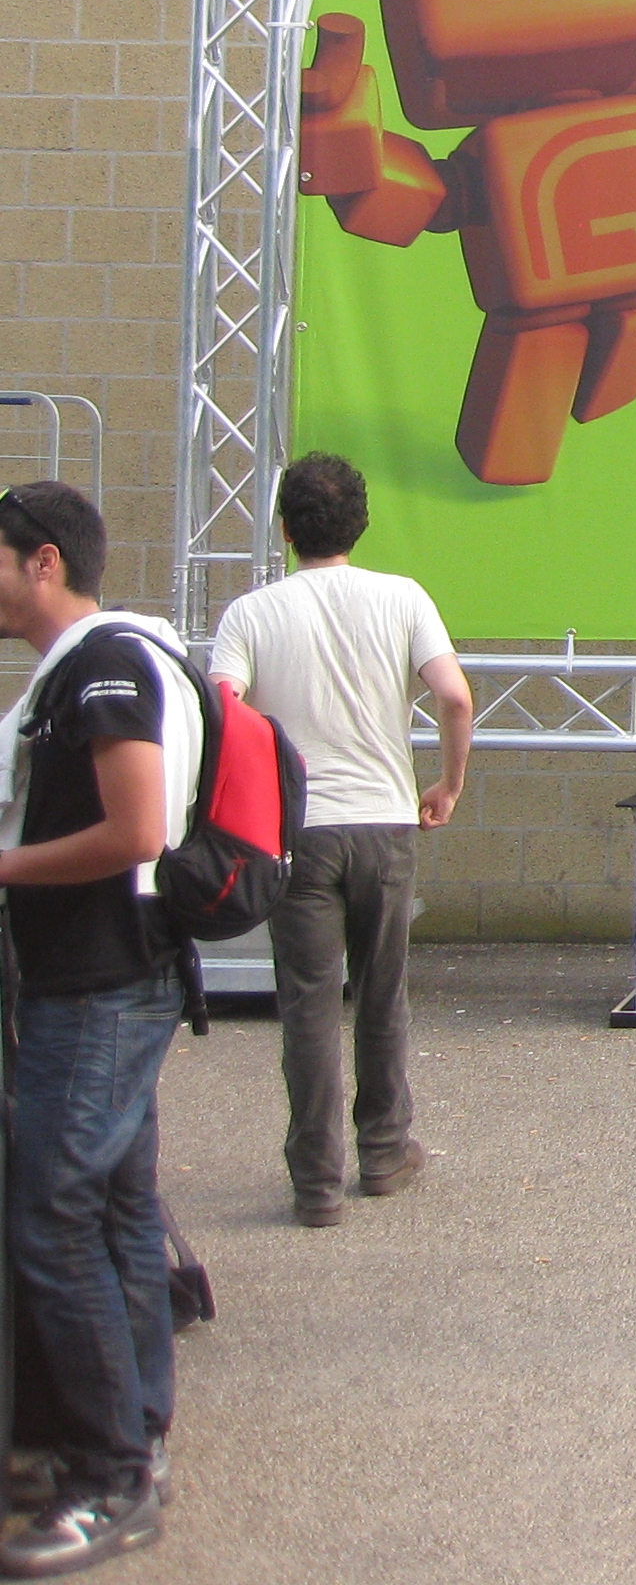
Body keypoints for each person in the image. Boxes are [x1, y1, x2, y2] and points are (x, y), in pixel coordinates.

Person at [0, 479, 196, 1577]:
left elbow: (135, 831)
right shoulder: (100, 662)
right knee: (117, 1213)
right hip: (114, 981)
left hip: (97, 987)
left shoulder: (103, 666)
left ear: (43, 563)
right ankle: (137, 1439)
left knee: (52, 1219)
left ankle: (109, 1475)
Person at [205, 455, 469, 1230]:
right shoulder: (402, 597)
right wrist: (448, 785)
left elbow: (222, 713)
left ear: (284, 529)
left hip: (298, 830)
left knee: (308, 1006)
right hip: (385, 823)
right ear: (361, 523)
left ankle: (316, 1183)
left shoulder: (250, 615)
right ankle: (383, 1153)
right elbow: (454, 697)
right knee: (383, 995)